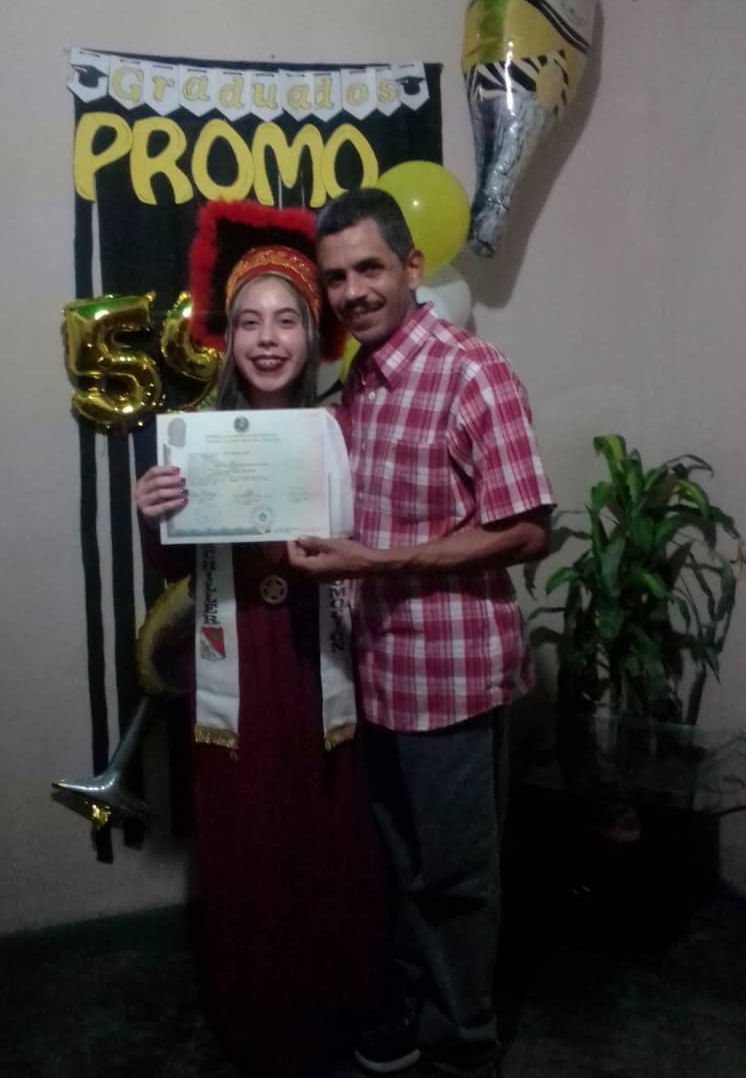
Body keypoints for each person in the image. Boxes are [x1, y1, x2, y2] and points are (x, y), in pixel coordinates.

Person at [288, 188, 556, 1078]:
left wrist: (374, 562)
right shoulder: (360, 379)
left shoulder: (471, 372)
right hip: (379, 671)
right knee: (402, 863)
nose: (352, 292)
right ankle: (418, 1009)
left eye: (369, 268)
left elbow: (526, 531)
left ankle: (464, 1045)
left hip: (451, 675)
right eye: (336, 278)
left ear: (411, 267)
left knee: (456, 877)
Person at [135, 200, 383, 1078]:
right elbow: (173, 564)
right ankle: (255, 1023)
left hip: (316, 668)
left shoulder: (342, 432)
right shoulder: (196, 443)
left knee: (325, 843)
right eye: (250, 322)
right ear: (228, 336)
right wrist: (153, 511)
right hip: (234, 672)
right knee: (246, 851)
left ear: (312, 334)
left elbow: (376, 551)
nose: (268, 339)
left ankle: (332, 1012)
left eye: (286, 320)